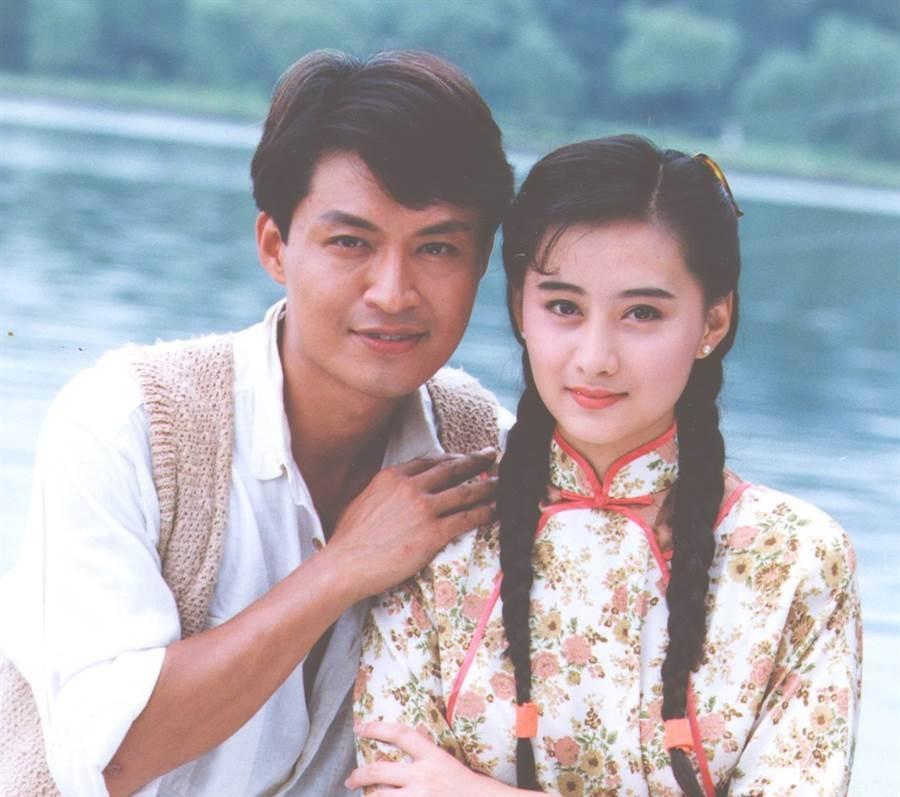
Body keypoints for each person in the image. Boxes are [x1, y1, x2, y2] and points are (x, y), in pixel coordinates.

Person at [0, 50, 514, 796]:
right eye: (351, 243)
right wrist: (341, 568)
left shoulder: (494, 455)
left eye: (437, 248)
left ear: (482, 263)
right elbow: (110, 757)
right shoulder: (129, 423)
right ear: (275, 246)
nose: (393, 291)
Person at [351, 135, 862, 797]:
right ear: (520, 307)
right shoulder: (441, 528)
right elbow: (389, 781)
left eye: (642, 313)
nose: (595, 357)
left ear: (713, 322)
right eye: (564, 307)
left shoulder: (793, 558)